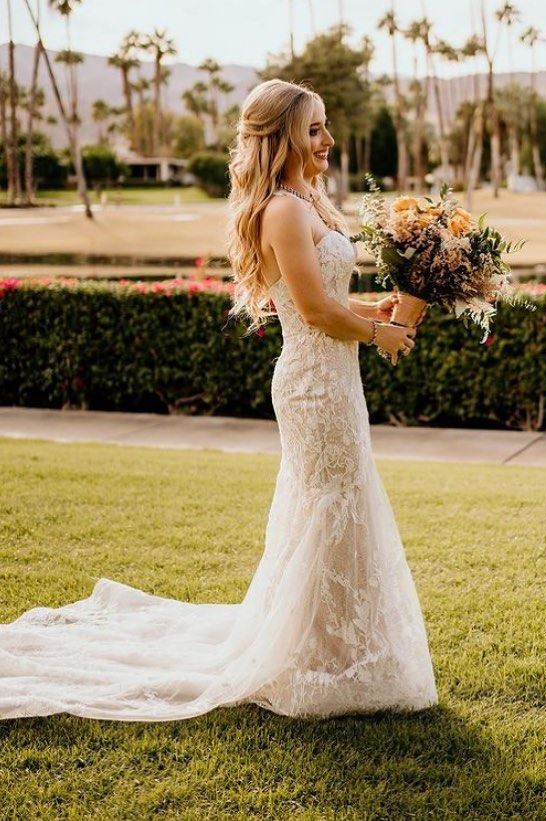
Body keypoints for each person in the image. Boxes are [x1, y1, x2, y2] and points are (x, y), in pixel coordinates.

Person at [0, 79, 437, 721]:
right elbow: (313, 310)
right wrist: (380, 333)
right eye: (314, 129)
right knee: (330, 504)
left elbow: (327, 298)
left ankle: (336, 645)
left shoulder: (306, 198)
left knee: (338, 503)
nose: (328, 140)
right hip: (314, 385)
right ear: (283, 134)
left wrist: (384, 307)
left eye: (324, 127)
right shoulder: (283, 211)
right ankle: (314, 656)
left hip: (335, 378)